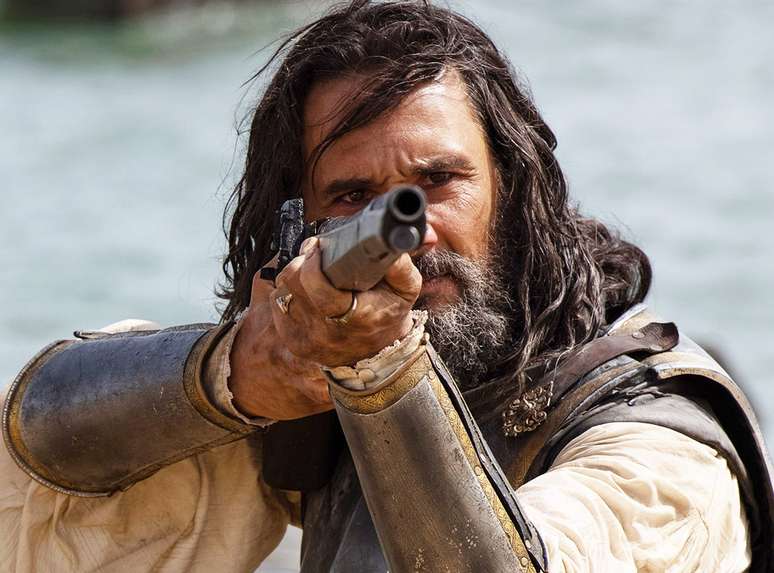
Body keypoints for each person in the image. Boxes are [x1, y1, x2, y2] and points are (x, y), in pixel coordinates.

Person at [1, 1, 772, 572]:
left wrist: (381, 369)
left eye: (439, 180)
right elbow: (41, 464)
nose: (413, 229)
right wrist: (242, 373)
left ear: (509, 189)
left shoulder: (657, 439)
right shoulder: (320, 388)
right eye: (351, 195)